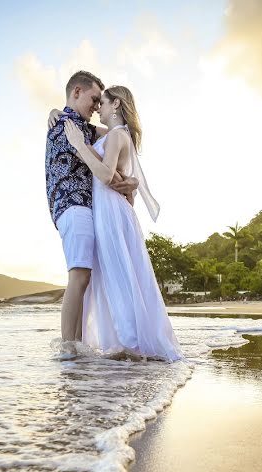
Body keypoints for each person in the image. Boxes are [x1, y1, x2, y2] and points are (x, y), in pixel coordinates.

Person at [62, 85, 183, 361]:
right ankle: (128, 343)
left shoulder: (117, 135)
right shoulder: (117, 135)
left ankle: (131, 344)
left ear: (115, 104)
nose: (98, 109)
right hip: (110, 211)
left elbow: (105, 175)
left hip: (112, 214)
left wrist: (79, 146)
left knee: (119, 275)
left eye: (102, 103)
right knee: (119, 275)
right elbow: (114, 172)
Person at [45, 71, 138, 347]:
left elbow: (115, 133)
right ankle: (69, 349)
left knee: (83, 277)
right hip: (72, 204)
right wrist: (125, 182)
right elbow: (98, 158)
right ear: (76, 92)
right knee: (79, 275)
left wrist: (130, 180)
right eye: (94, 100)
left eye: (101, 102)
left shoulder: (79, 126)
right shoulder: (66, 126)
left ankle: (76, 347)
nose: (97, 107)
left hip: (82, 207)